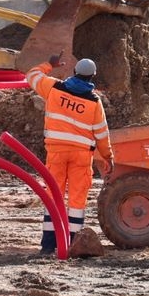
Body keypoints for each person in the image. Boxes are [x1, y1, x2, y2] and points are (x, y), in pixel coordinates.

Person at [25, 56, 114, 255]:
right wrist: (108, 156)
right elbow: (101, 132)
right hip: (81, 156)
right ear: (92, 76)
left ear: (74, 72)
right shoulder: (94, 101)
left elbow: (31, 75)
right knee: (77, 200)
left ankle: (48, 245)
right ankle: (73, 243)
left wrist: (50, 64)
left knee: (53, 196)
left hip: (56, 152)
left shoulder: (54, 88)